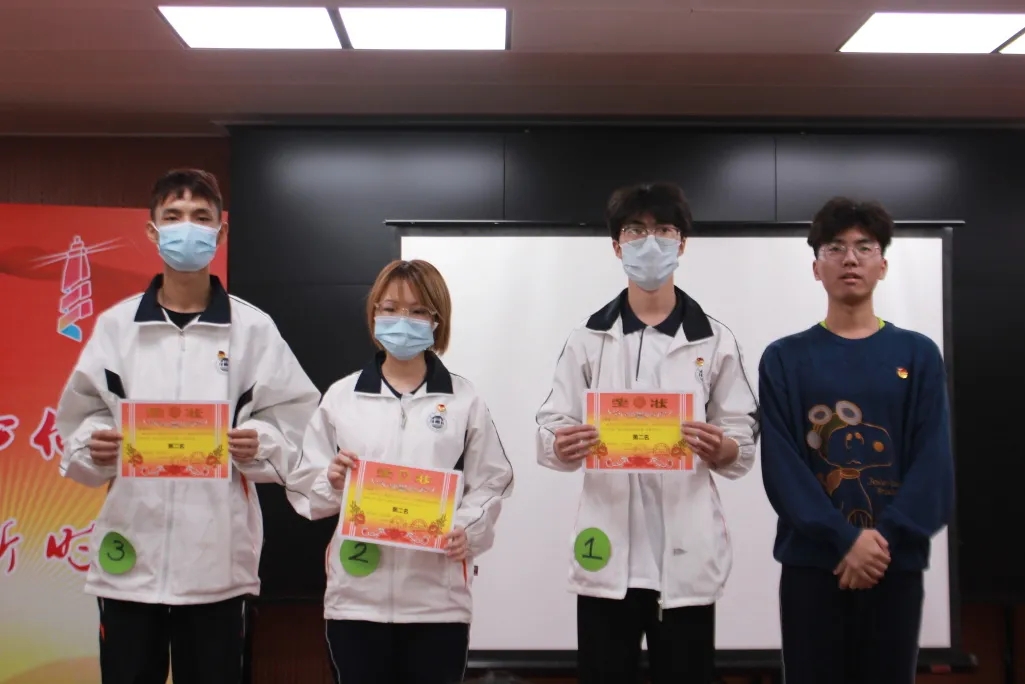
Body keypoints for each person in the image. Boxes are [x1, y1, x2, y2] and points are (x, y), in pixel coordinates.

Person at [55, 168, 321, 684]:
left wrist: (260, 443)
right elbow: (80, 416)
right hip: (130, 555)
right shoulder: (116, 327)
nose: (187, 228)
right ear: (153, 230)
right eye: (174, 216)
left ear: (220, 231)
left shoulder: (253, 329)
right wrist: (94, 445)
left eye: (201, 217)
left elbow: (297, 422)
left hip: (216, 561)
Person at [534, 182, 760, 684]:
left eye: (664, 230)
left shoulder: (715, 341)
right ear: (617, 246)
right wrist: (562, 445)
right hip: (606, 550)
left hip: (686, 554)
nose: (650, 242)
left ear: (682, 243)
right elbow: (551, 426)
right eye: (636, 231)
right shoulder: (588, 338)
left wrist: (723, 447)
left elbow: (741, 436)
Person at [286, 259, 514, 684]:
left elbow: (493, 482)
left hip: (438, 604)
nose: (402, 320)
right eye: (390, 308)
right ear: (374, 313)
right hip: (356, 600)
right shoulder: (342, 397)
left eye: (417, 311)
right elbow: (304, 489)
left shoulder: (464, 400)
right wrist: (331, 481)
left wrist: (467, 529)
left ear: (437, 320)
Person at [758, 197, 955, 684]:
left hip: (892, 563)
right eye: (835, 247)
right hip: (812, 565)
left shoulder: (918, 354)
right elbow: (783, 467)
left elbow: (933, 462)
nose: (850, 258)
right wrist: (844, 539)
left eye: (864, 247)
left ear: (882, 265)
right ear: (816, 267)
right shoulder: (784, 358)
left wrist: (882, 541)